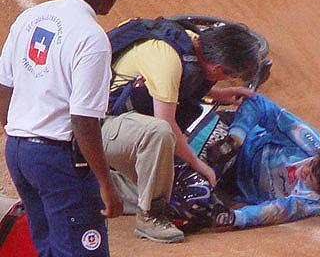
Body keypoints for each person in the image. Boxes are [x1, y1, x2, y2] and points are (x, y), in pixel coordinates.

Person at [0, 0, 123, 257]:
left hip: (19, 152)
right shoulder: (91, 37)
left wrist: (21, 133)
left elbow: (4, 87)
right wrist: (106, 183)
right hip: (59, 163)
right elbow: (84, 120)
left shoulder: (30, 18)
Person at [102, 19, 261, 243]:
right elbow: (166, 124)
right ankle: (150, 218)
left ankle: (96, 186)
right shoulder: (167, 59)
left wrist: (219, 94)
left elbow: (177, 83)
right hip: (95, 127)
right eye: (228, 77)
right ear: (217, 68)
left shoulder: (190, 40)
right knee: (159, 132)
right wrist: (198, 164)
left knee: (168, 188)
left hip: (114, 124)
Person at [206, 94, 320, 229]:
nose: (305, 170)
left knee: (195, 201)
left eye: (310, 178)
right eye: (311, 164)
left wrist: (237, 217)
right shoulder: (306, 139)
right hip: (232, 143)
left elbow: (277, 210)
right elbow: (259, 103)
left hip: (231, 189)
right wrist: (236, 137)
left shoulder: (315, 202)